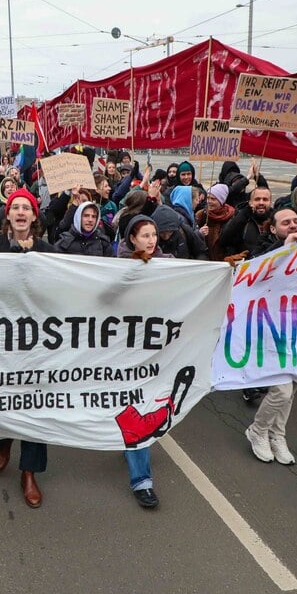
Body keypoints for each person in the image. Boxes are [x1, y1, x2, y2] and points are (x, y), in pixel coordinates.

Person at [0, 188, 54, 508]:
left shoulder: (49, 252)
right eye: (16, 207)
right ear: (7, 215)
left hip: (36, 343)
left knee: (35, 406)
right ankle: (3, 441)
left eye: (27, 208)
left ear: (34, 217)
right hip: (0, 342)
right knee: (4, 402)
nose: (21, 212)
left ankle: (29, 472)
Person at [117, 215, 172, 508]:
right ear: (132, 240)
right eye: (145, 236)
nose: (151, 240)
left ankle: (128, 443)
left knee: (144, 407)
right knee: (135, 407)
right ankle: (142, 481)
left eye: (154, 235)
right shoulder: (120, 269)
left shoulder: (169, 266)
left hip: (156, 351)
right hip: (125, 351)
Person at [243, 208, 297, 465]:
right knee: (281, 390)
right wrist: (284, 250)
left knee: (294, 385)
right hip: (270, 328)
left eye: (296, 221)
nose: (292, 225)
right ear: (273, 229)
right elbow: (255, 273)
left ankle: (277, 434)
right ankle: (257, 430)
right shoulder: (265, 249)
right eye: (285, 222)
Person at [219, 186, 273, 258]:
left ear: (270, 202)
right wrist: (244, 214)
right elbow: (224, 240)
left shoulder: (276, 219)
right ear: (250, 202)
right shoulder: (241, 217)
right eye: (257, 199)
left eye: (265, 199)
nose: (261, 202)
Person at [200, 183, 234, 262]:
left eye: (213, 199)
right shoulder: (201, 215)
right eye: (208, 198)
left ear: (221, 200)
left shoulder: (232, 215)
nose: (209, 201)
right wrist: (199, 233)